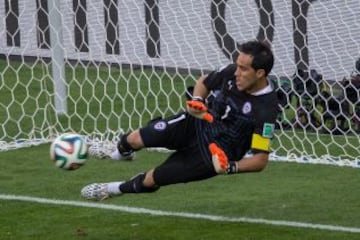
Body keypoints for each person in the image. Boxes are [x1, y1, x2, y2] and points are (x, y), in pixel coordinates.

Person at [81, 40, 280, 201]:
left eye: (243, 69)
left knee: (152, 179)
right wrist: (197, 100)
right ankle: (119, 154)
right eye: (237, 66)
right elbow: (204, 81)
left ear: (260, 73)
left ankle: (112, 189)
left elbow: (260, 160)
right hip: (195, 123)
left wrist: (230, 167)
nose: (237, 73)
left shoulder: (266, 110)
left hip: (211, 154)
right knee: (134, 139)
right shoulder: (231, 73)